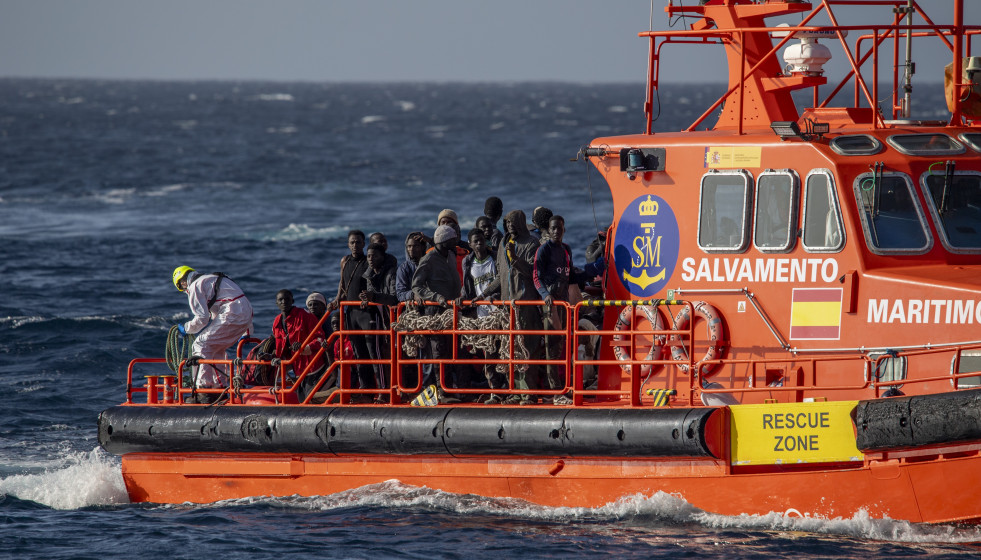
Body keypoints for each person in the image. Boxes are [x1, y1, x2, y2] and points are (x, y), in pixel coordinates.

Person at [533, 215, 606, 405]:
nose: (556, 231)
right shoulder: (544, 250)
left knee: (563, 347)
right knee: (553, 347)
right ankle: (554, 392)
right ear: (549, 230)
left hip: (565, 305)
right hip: (552, 307)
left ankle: (562, 389)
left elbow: (571, 274)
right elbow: (536, 276)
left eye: (560, 228)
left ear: (564, 230)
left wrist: (595, 268)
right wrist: (544, 294)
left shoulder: (566, 250)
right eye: (553, 228)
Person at [172, 266, 254, 402]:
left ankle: (204, 390)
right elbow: (239, 300)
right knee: (215, 347)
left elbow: (202, 319)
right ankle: (219, 388)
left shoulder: (195, 286)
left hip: (232, 313)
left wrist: (186, 328)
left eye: (181, 285)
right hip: (244, 314)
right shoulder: (211, 280)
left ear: (182, 283)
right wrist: (247, 331)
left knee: (201, 344)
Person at [492, 209, 543, 404]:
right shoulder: (503, 243)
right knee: (509, 349)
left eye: (513, 222)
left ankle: (528, 393)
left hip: (525, 305)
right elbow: (500, 275)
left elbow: (533, 273)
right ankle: (514, 391)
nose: (510, 225)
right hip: (507, 306)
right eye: (507, 222)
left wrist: (515, 258)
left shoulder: (531, 243)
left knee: (527, 349)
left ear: (521, 223)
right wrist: (484, 294)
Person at [412, 224, 464, 400]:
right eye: (452, 240)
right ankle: (439, 391)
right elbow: (416, 285)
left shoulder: (450, 254)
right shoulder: (428, 259)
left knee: (450, 351)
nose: (455, 242)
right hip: (435, 310)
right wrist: (434, 296)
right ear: (444, 242)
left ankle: (448, 387)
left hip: (451, 310)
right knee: (437, 351)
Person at [327, 230, 375, 395]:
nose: (355, 245)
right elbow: (342, 284)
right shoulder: (345, 261)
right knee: (358, 351)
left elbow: (373, 283)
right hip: (351, 311)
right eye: (352, 242)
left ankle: (378, 389)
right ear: (348, 244)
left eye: (358, 242)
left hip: (366, 311)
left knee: (371, 351)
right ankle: (364, 389)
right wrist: (336, 300)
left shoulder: (367, 261)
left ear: (363, 244)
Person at [461, 228, 505, 401]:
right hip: (481, 315)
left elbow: (501, 280)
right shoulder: (468, 262)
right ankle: (495, 392)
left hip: (499, 313)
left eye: (481, 240)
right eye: (475, 241)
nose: (479, 243)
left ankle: (505, 392)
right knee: (488, 355)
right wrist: (463, 299)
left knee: (503, 352)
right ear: (470, 245)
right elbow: (468, 286)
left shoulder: (495, 258)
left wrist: (492, 296)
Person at [266, 289, 326, 400]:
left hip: (313, 367)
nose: (284, 302)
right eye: (281, 300)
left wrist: (304, 347)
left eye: (287, 299)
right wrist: (271, 356)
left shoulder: (305, 316)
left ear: (292, 301)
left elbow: (320, 339)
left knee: (310, 400)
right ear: (276, 303)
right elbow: (280, 346)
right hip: (296, 369)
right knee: (301, 398)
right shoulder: (277, 322)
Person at [361, 242, 399, 401]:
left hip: (395, 319)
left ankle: (398, 390)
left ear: (382, 257)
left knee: (397, 356)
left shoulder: (392, 272)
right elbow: (372, 296)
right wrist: (366, 300)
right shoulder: (369, 274)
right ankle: (385, 389)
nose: (370, 259)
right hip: (381, 320)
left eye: (374, 256)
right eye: (368, 256)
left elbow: (395, 298)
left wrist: (374, 298)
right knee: (383, 356)